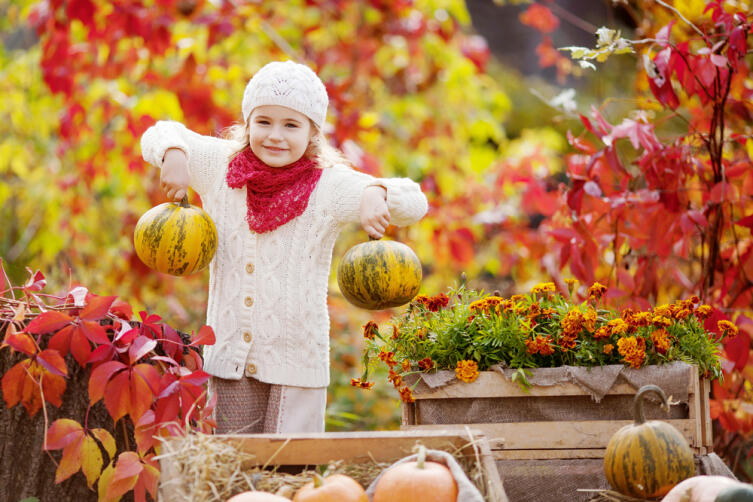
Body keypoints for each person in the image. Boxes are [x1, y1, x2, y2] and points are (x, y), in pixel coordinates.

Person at [140, 61, 428, 434]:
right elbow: (158, 133)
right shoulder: (219, 166)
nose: (275, 135)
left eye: (291, 125)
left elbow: (414, 201)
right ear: (247, 124)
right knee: (231, 472)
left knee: (291, 476)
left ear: (312, 133)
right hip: (228, 360)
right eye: (263, 122)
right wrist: (175, 154)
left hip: (296, 365)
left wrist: (377, 192)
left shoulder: (328, 186)